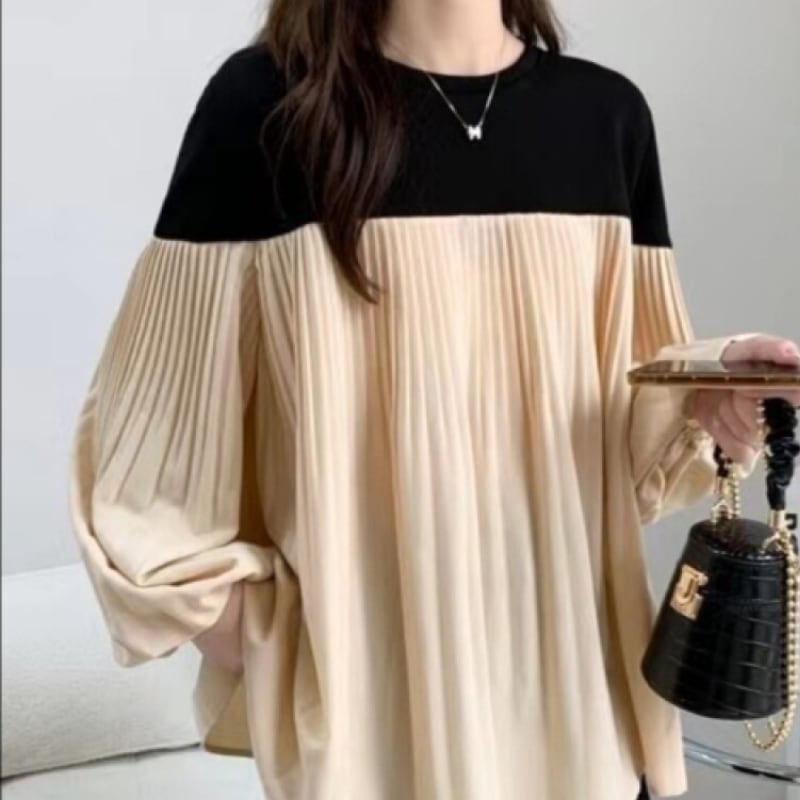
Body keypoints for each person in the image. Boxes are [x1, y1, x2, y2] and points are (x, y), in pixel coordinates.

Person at [69, 1, 800, 798]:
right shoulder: (268, 107)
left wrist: (706, 390)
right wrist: (282, 640)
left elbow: (612, 463)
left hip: (583, 712)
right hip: (378, 739)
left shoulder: (605, 117)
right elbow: (151, 437)